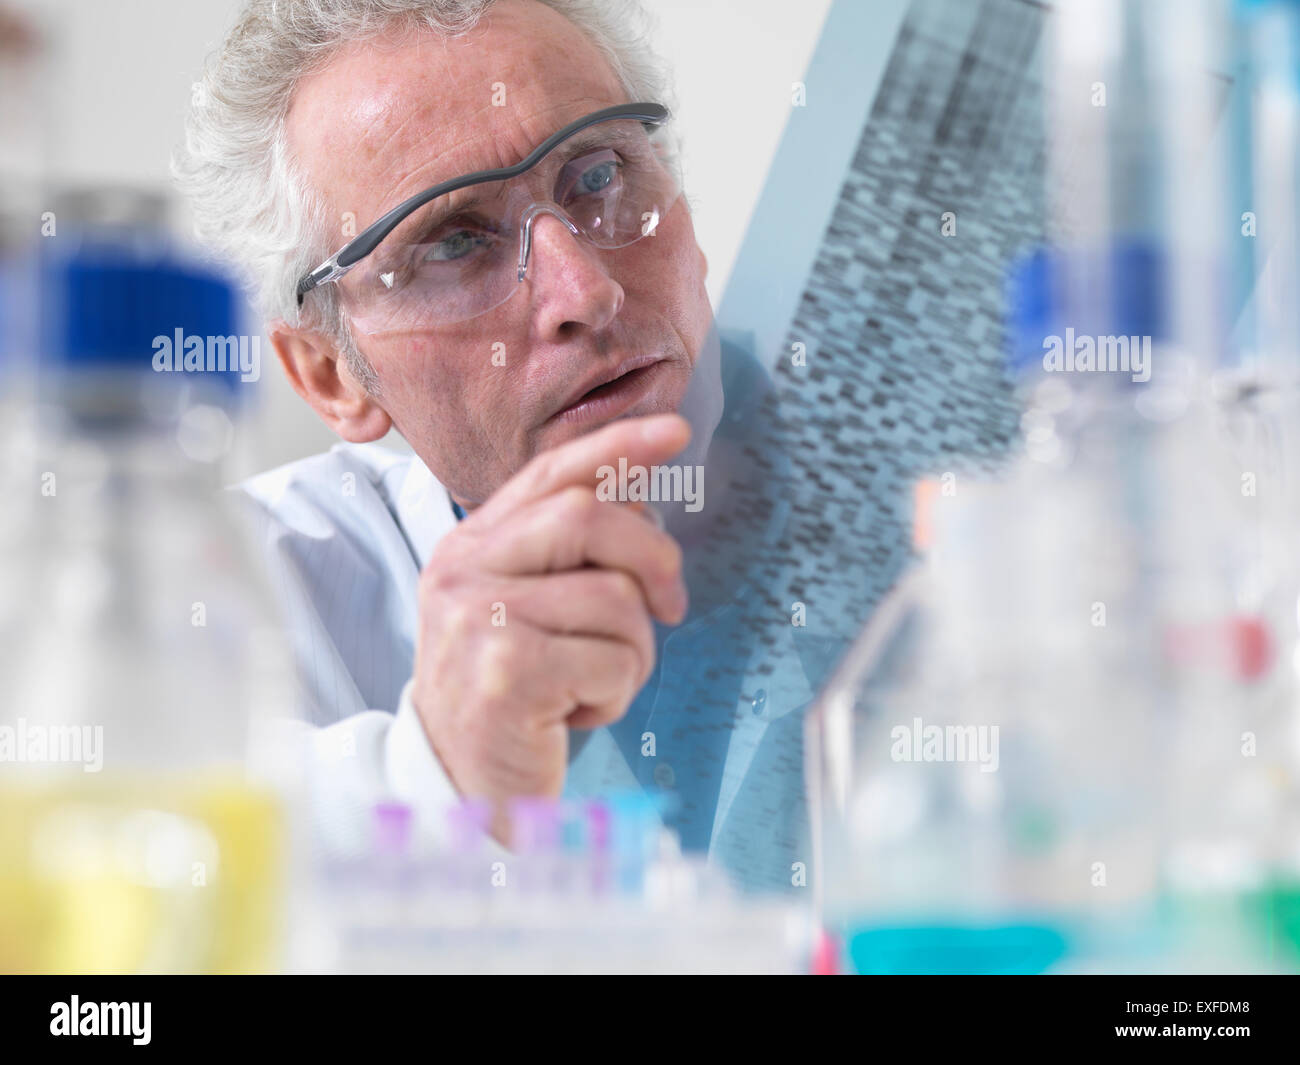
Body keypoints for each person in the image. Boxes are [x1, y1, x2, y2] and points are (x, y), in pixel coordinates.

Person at [176, 0, 819, 891]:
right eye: (454, 243)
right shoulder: (245, 592)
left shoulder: (965, 480)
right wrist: (440, 778)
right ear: (331, 373)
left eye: (598, 176)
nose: (583, 291)